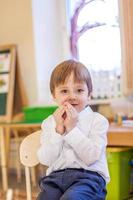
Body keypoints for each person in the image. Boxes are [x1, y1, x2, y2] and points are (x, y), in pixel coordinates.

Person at [37, 59, 110, 200]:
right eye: (64, 91)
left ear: (89, 95)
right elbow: (46, 159)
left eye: (79, 90)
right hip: (55, 179)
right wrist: (58, 131)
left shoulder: (98, 120)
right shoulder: (49, 123)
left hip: (89, 178)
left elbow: (91, 157)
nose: (72, 96)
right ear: (54, 96)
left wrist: (71, 129)